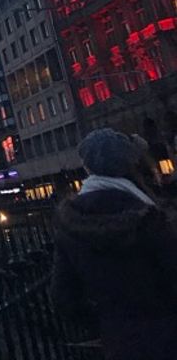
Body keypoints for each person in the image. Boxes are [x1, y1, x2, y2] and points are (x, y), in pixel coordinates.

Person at [50, 128, 177, 359]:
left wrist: (105, 322)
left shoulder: (71, 223)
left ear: (87, 167)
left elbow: (64, 298)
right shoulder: (150, 216)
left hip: (119, 341)